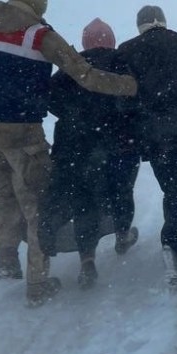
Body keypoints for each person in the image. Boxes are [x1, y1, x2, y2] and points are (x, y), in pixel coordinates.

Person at [0, 0, 138, 307]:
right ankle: (38, 284)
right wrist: (127, 86)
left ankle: (6, 261)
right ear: (39, 7)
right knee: (35, 202)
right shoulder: (38, 35)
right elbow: (84, 74)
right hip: (19, 131)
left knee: (2, 193)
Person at [39, 18, 142, 290]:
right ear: (111, 39)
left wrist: (75, 115)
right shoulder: (120, 62)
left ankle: (87, 259)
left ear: (85, 42)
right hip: (117, 143)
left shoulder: (71, 67)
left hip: (74, 146)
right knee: (122, 190)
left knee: (83, 201)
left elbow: (49, 98)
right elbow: (134, 96)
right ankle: (122, 234)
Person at [117, 5, 177, 290]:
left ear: (139, 25)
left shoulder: (126, 50)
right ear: (163, 22)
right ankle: (173, 242)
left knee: (172, 187)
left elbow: (126, 97)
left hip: (154, 134)